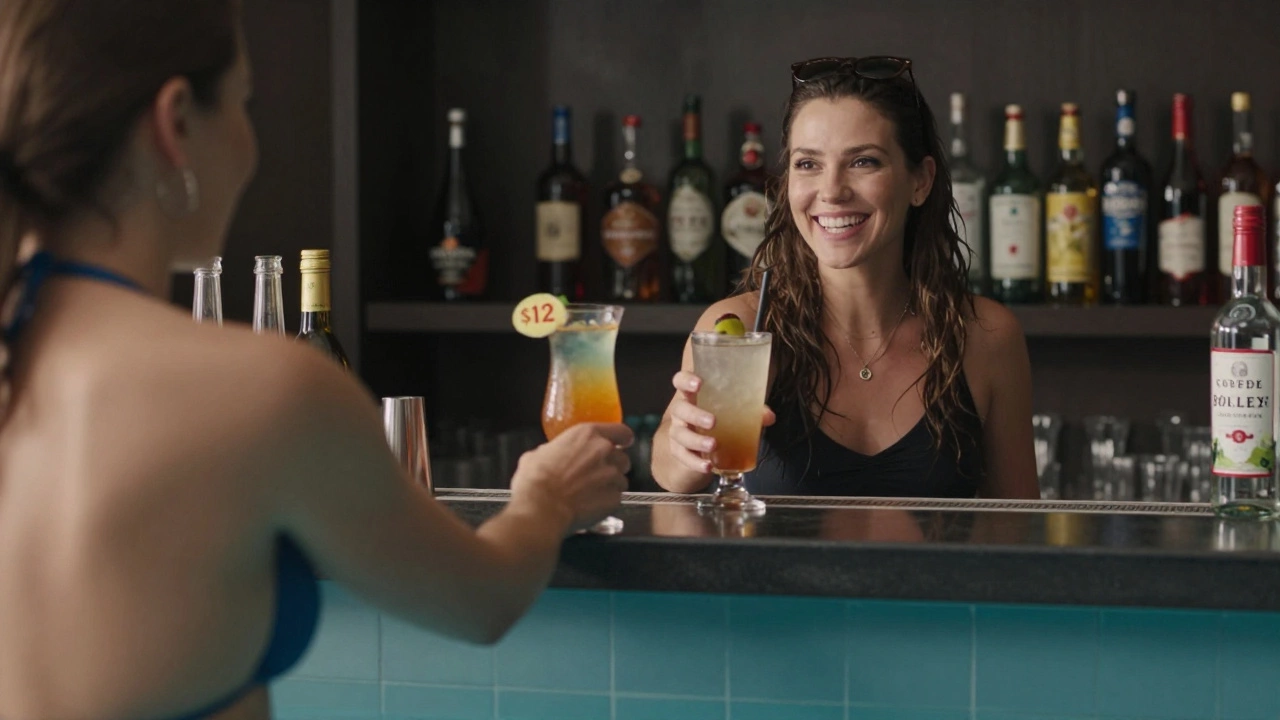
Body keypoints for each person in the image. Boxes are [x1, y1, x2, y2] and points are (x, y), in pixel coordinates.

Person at [0, 2, 632, 719]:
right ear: (175, 123)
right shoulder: (263, 387)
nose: (249, 141)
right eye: (243, 104)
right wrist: (547, 496)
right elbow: (479, 601)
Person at [653, 57, 1038, 500]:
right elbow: (669, 469)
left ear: (920, 181)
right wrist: (684, 447)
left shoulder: (986, 336)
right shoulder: (738, 328)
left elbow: (1018, 523)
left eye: (863, 161)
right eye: (807, 164)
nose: (832, 191)